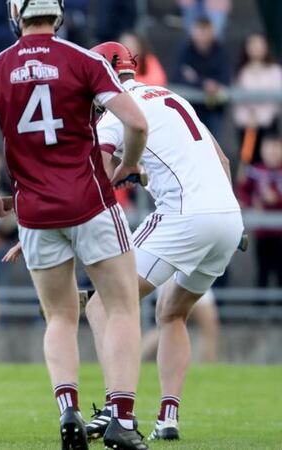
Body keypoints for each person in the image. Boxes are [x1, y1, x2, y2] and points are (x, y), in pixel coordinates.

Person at [0, 1, 149, 448]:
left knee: (60, 317)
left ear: (15, 15)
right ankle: (121, 419)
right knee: (121, 307)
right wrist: (126, 167)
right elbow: (137, 123)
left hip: (35, 214)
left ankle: (68, 410)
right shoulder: (84, 60)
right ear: (58, 13)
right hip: (92, 202)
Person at [85, 42, 243, 442]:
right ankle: (168, 417)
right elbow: (222, 162)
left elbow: (98, 177)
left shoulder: (115, 110)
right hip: (228, 215)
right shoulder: (173, 97)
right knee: (172, 313)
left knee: (104, 303)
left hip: (183, 216)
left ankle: (115, 409)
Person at [172, 16, 230, 140]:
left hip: (215, 108)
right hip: (191, 108)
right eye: (199, 30)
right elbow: (177, 77)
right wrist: (203, 83)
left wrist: (195, 78)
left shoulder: (221, 51)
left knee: (214, 143)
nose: (202, 35)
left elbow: (225, 76)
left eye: (206, 31)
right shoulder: (185, 51)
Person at [232, 33, 282, 166]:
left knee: (269, 162)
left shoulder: (275, 71)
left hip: (268, 125)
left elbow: (275, 100)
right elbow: (238, 100)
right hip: (247, 127)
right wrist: (248, 119)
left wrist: (260, 118)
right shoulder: (241, 72)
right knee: (247, 161)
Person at [239, 134, 282, 287]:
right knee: (262, 272)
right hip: (262, 233)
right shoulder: (255, 170)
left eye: (277, 147)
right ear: (262, 149)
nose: (273, 152)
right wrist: (251, 203)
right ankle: (260, 309)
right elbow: (243, 193)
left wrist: (276, 199)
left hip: (280, 234)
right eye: (269, 147)